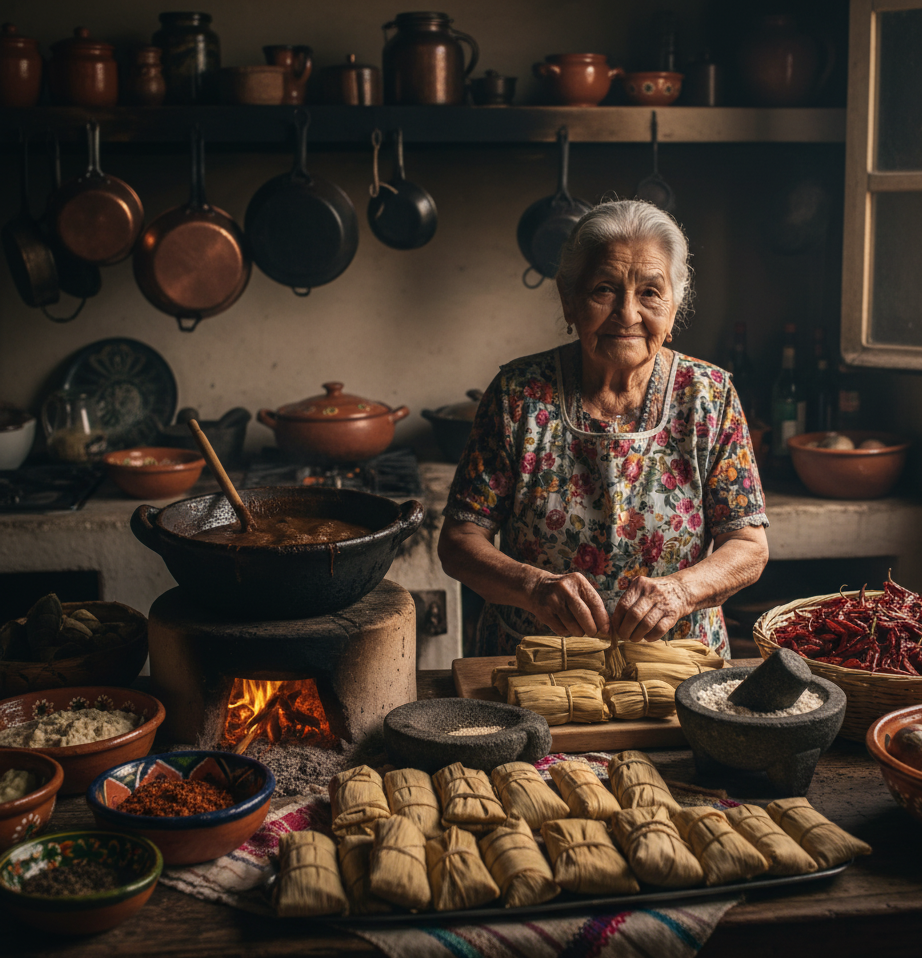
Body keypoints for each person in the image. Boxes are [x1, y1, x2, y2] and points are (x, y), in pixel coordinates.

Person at [438, 199, 769, 658]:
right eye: (604, 290)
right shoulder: (518, 394)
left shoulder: (709, 397)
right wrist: (535, 587)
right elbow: (459, 542)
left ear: (675, 307)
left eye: (650, 292)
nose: (627, 314)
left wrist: (681, 591)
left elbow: (748, 546)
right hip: (534, 663)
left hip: (676, 669)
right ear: (569, 299)